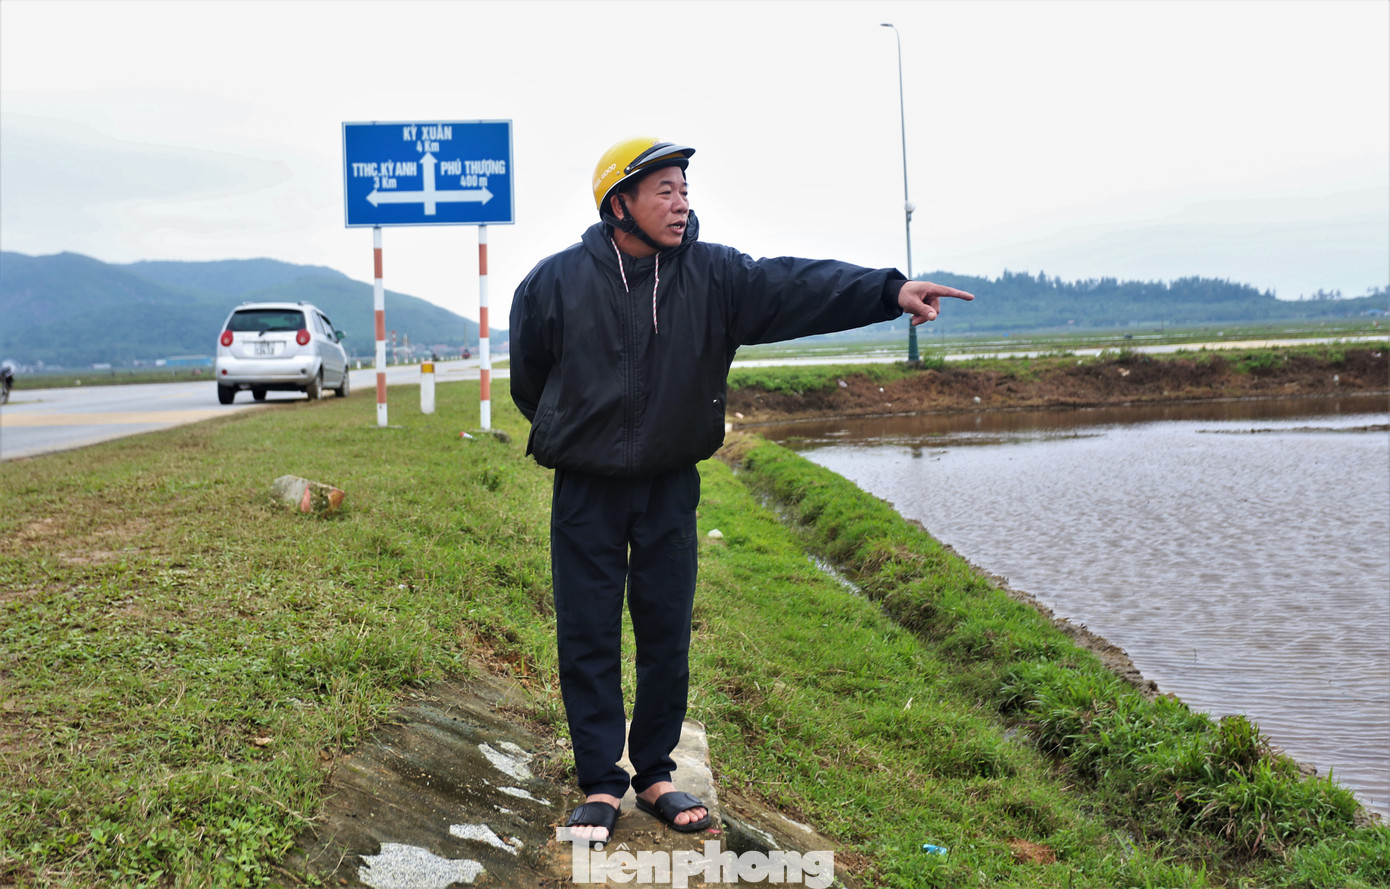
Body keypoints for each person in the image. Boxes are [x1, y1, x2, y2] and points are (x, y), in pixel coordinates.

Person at [508, 137, 973, 846]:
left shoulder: (715, 276)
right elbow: (531, 381)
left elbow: (797, 286)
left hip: (670, 485)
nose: (681, 202)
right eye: (664, 190)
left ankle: (654, 773)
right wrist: (580, 432)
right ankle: (601, 780)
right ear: (619, 203)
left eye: (684, 188)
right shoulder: (554, 283)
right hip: (585, 490)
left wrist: (888, 291)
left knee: (666, 632)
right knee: (588, 632)